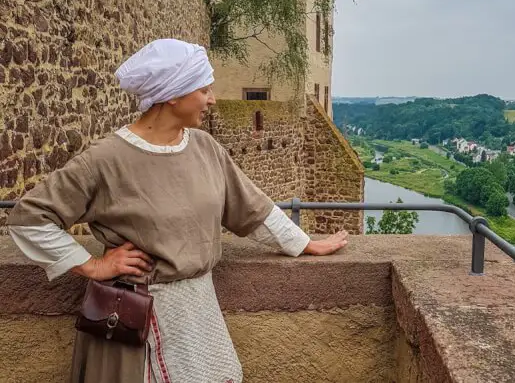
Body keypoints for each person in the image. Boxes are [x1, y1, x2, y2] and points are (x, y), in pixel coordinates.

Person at [7, 38, 348, 383]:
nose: (212, 99)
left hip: (200, 306)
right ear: (173, 94)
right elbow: (30, 219)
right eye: (204, 89)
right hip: (141, 312)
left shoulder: (203, 147)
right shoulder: (106, 159)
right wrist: (94, 265)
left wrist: (303, 243)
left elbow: (250, 205)